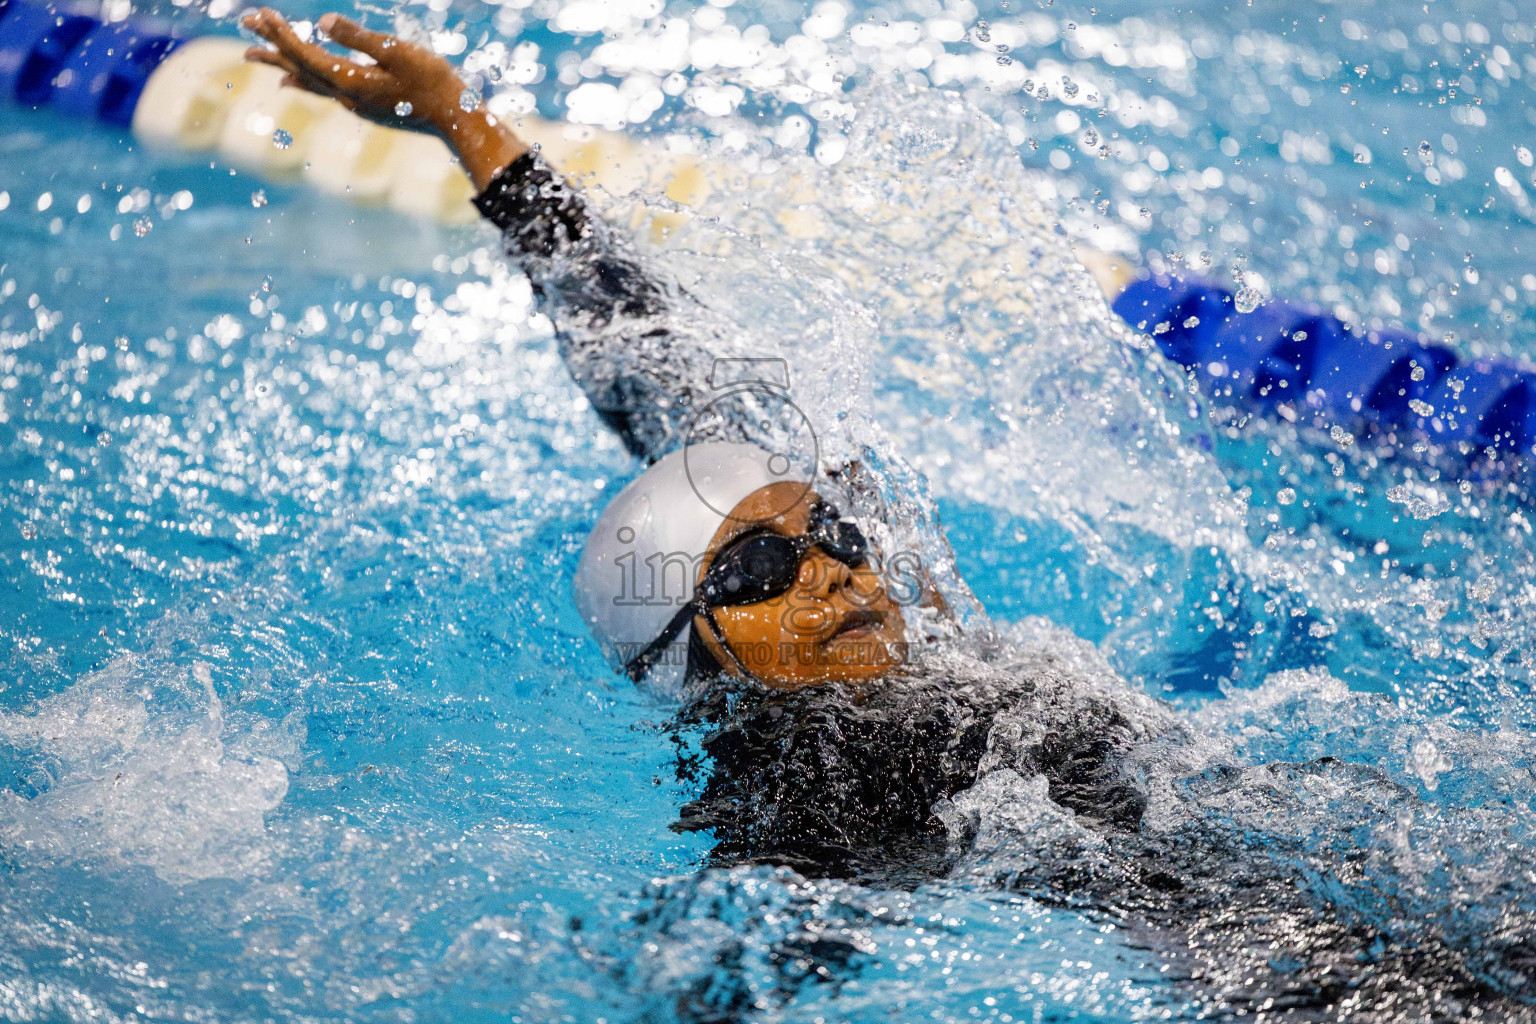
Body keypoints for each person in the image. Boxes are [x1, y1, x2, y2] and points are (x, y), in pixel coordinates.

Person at [242, 12, 1536, 1018]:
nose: (832, 566)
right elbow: (723, 973)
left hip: (1321, 802)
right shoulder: (806, 804)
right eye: (759, 564)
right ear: (693, 653)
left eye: (833, 533)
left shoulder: (867, 580)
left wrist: (463, 121)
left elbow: (640, 346)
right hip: (1218, 921)